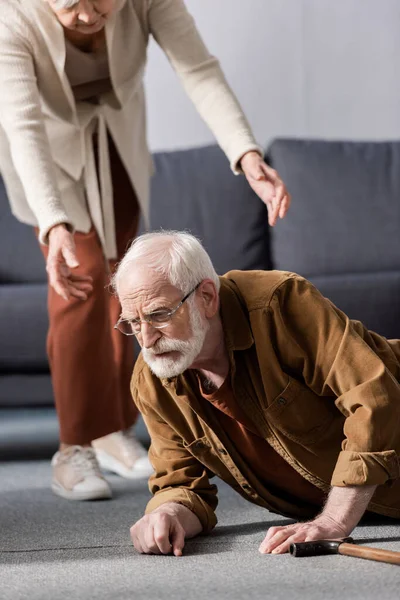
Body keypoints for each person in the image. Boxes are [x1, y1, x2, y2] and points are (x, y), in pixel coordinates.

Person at [0, 0, 291, 501]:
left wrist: (246, 154)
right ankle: (72, 449)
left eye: (102, 1)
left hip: (116, 144)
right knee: (81, 281)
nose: (90, 16)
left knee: (127, 284)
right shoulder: (11, 16)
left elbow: (197, 69)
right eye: (73, 5)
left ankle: (113, 428)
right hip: (47, 160)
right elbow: (22, 124)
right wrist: (54, 224)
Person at [112, 230, 400, 556]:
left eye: (159, 314)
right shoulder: (153, 379)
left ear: (206, 297)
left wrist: (335, 519)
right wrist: (166, 513)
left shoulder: (279, 303)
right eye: (133, 323)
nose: (147, 339)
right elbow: (179, 480)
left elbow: (374, 400)